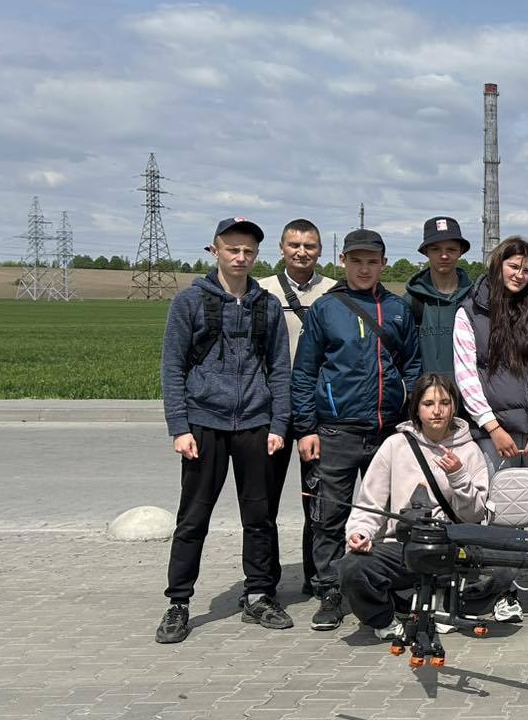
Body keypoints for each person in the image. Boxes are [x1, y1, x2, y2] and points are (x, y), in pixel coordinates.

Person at [155, 217, 292, 644]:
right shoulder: (189, 302)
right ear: (214, 251)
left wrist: (278, 423)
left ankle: (259, 594)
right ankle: (178, 603)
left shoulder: (268, 305)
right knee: (193, 518)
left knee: (259, 517)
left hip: (255, 423)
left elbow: (280, 370)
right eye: (233, 249)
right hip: (203, 423)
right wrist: (179, 426)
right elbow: (172, 367)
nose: (241, 257)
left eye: (248, 251)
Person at [291, 228, 422, 632]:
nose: (364, 269)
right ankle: (330, 589)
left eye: (372, 261)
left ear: (383, 264)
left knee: (389, 515)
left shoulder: (398, 309)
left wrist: (407, 411)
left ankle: (388, 586)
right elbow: (304, 371)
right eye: (357, 261)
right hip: (336, 431)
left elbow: (413, 365)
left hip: (387, 431)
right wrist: (305, 428)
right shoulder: (326, 309)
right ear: (343, 261)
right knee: (330, 515)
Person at [452, 236, 528, 623]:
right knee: (500, 507)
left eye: (526, 269)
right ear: (497, 265)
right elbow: (466, 376)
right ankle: (503, 589)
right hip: (496, 431)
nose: (519, 274)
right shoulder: (469, 312)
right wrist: (492, 426)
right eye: (513, 266)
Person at [341, 374, 489, 638]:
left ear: (454, 407)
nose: (437, 411)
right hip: (404, 547)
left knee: (504, 570)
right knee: (352, 567)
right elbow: (369, 503)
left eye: (445, 403)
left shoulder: (470, 450)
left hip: (450, 547)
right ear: (416, 409)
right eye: (428, 403)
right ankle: (385, 617)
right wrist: (359, 532)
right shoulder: (395, 445)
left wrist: (458, 476)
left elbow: (474, 515)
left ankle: (448, 603)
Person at [258, 218, 332, 595]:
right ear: (282, 248)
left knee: (317, 501)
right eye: (294, 245)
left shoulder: (334, 291)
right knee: (263, 502)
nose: (302, 252)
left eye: (309, 246)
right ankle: (263, 582)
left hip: (316, 412)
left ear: (320, 250)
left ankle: (316, 577)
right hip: (269, 411)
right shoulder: (261, 291)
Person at [404, 216, 474, 379]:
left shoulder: (475, 299)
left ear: (461, 252)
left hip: (469, 392)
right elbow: (406, 359)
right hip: (428, 392)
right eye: (436, 249)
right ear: (426, 252)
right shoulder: (412, 301)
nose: (444, 256)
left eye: (451, 249)